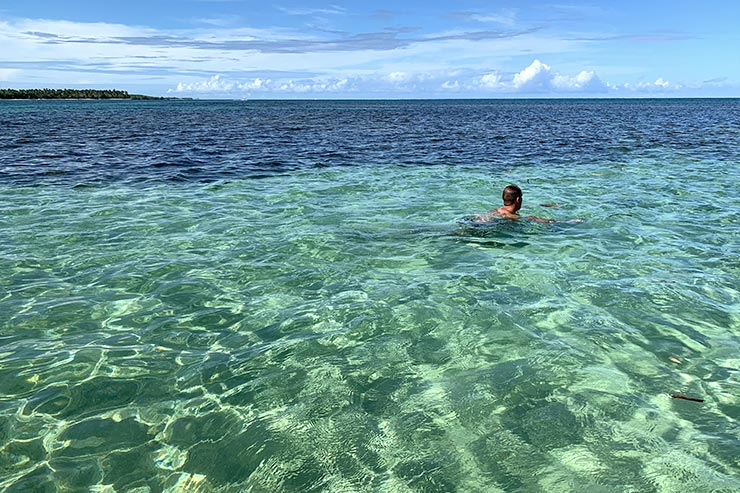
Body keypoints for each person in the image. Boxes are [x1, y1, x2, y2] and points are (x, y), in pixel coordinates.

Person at [474, 184, 569, 223]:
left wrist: (548, 205)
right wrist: (569, 222)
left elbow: (527, 207)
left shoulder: (499, 210)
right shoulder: (511, 215)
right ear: (518, 199)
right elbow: (533, 218)